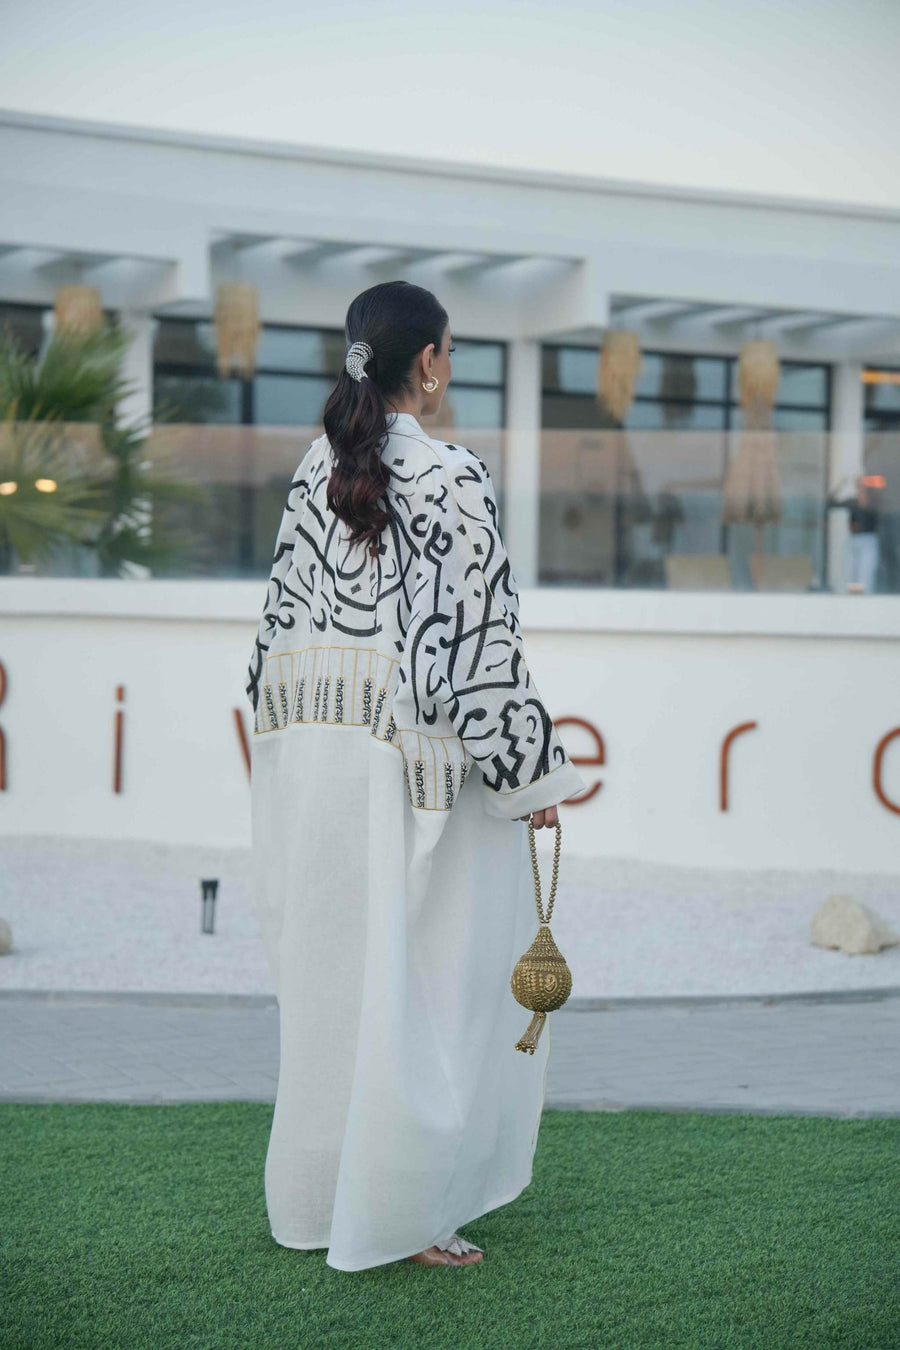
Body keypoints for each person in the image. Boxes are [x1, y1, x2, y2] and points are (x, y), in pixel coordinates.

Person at [244, 280, 588, 1273]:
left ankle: (319, 1203)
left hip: (320, 768)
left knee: (336, 989)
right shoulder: (451, 475)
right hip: (422, 781)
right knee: (432, 992)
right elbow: (481, 650)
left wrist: (292, 753)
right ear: (429, 362)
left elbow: (274, 634)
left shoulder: (315, 468)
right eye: (450, 353)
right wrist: (531, 778)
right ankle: (405, 1214)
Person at [827, 472, 880, 592]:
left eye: (863, 483)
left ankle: (863, 597)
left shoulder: (875, 501)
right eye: (859, 483)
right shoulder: (852, 502)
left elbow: (884, 493)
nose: (861, 486)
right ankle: (853, 597)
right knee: (850, 572)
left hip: (868, 540)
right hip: (853, 539)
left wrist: (872, 482)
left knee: (865, 573)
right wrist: (840, 485)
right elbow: (831, 504)